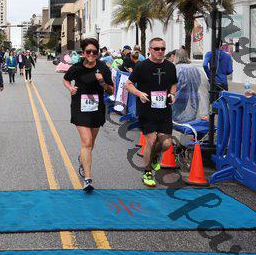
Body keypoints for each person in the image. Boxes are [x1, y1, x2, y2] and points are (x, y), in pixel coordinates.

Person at [125, 37, 178, 188]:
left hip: (164, 110)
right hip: (146, 110)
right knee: (152, 141)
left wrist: (172, 94)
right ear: (149, 50)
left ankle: (154, 157)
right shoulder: (141, 66)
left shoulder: (170, 66)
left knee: (166, 143)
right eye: (157, 49)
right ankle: (147, 172)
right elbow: (128, 85)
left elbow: (174, 84)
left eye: (163, 48)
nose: (160, 51)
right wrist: (139, 93)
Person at [62, 38, 113, 192]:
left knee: (90, 144)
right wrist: (70, 88)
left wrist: (102, 82)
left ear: (98, 53)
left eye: (94, 52)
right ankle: (88, 179)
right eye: (88, 51)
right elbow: (65, 79)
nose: (91, 54)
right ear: (83, 53)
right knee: (87, 141)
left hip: (97, 108)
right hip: (79, 107)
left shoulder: (103, 68)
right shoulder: (76, 68)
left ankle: (83, 160)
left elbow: (111, 90)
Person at [172, 49, 210, 124]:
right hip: (194, 96)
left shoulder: (176, 69)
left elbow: (174, 84)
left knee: (179, 117)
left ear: (176, 57)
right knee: (192, 115)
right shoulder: (195, 68)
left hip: (180, 97)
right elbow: (201, 82)